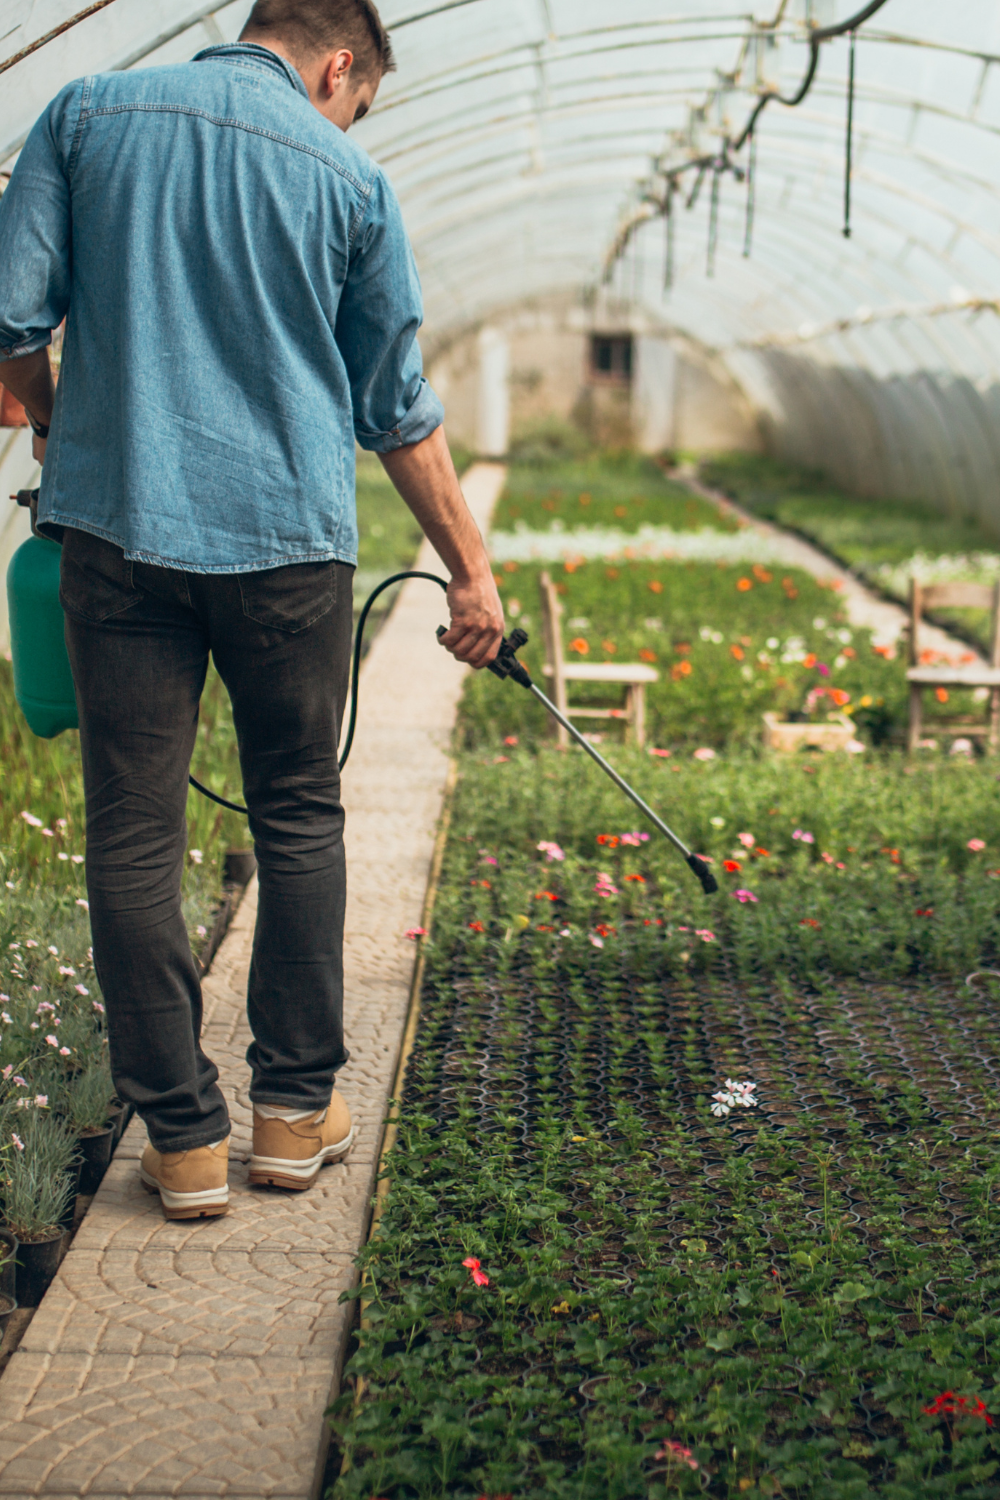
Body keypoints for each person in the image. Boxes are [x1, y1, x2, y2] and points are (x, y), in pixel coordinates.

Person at [0, 0, 503, 1220]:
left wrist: (62, 421)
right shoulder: (350, 179)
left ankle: (180, 1141)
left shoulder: (84, 115)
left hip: (115, 536)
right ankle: (291, 1114)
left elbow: (12, 320)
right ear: (341, 66)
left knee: (131, 832)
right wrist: (469, 570)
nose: (352, 114)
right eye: (360, 96)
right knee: (296, 814)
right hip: (286, 553)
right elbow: (396, 405)